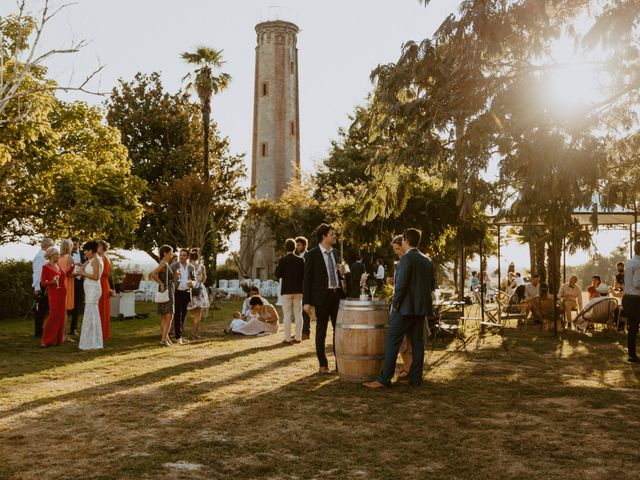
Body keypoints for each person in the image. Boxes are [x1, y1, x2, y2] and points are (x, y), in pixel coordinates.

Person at [365, 228, 435, 388]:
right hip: (420, 309)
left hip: (404, 308)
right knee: (418, 344)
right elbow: (430, 286)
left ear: (405, 240)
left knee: (392, 341)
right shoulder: (427, 260)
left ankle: (384, 379)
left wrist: (395, 305)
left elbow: (401, 286)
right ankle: (416, 379)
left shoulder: (406, 259)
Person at [302, 223, 345, 374]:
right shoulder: (312, 254)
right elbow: (307, 279)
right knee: (321, 331)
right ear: (324, 236)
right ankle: (323, 365)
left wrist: (342, 273)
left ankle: (340, 364)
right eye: (332, 234)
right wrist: (306, 302)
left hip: (336, 295)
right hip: (321, 298)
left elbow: (340, 276)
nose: (335, 236)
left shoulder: (335, 253)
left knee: (338, 331)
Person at [40, 247, 74, 347]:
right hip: (54, 294)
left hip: (62, 293)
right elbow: (43, 282)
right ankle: (45, 340)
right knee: (53, 315)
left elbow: (65, 275)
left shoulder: (58, 264)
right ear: (52, 255)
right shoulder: (46, 267)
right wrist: (53, 282)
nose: (59, 256)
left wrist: (72, 266)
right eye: (57, 255)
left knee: (61, 315)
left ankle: (57, 339)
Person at [390, 234, 412, 379]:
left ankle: (408, 369)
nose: (397, 252)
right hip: (403, 305)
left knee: (405, 341)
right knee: (405, 341)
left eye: (398, 248)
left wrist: (395, 306)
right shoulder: (403, 262)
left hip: (404, 306)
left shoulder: (406, 262)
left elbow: (404, 286)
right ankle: (407, 368)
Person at [275, 238, 305, 344]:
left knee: (287, 315)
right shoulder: (301, 260)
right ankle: (298, 337)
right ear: (295, 247)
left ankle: (287, 338)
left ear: (285, 248)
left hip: (287, 290)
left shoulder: (282, 260)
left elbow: (278, 275)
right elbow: (304, 275)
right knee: (298, 314)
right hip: (298, 290)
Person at [77, 241, 104, 350]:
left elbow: (96, 276)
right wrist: (83, 267)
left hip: (93, 289)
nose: (85, 253)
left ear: (91, 251)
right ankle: (89, 340)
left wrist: (83, 274)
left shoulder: (96, 260)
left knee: (91, 313)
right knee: (90, 313)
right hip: (90, 289)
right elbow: (86, 271)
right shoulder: (91, 260)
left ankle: (92, 342)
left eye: (86, 251)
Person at [150, 245, 176, 347]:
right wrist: (161, 283)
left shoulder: (165, 263)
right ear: (165, 253)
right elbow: (153, 274)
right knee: (169, 316)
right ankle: (164, 340)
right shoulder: (164, 263)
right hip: (166, 291)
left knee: (165, 316)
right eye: (171, 252)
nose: (172, 254)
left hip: (165, 290)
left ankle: (166, 339)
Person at [169, 248, 195, 345]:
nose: (182, 257)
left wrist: (193, 283)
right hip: (177, 292)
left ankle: (180, 335)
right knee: (177, 314)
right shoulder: (174, 266)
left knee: (183, 314)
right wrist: (175, 277)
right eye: (181, 255)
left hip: (187, 292)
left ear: (188, 257)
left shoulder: (191, 267)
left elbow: (194, 279)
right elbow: (167, 277)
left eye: (184, 255)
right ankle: (178, 337)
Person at [32, 238, 54, 338]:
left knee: (44, 309)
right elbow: (37, 273)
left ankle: (42, 330)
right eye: (52, 246)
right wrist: (37, 288)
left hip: (44, 284)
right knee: (41, 310)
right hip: (41, 286)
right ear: (47, 246)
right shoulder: (40, 257)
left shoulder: (44, 256)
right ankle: (38, 332)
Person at [623, 241, 640, 363]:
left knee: (632, 328)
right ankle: (632, 355)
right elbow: (637, 283)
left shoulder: (630, 262)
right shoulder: (639, 264)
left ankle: (632, 355)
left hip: (628, 298)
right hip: (636, 299)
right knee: (634, 327)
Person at [187, 248, 209, 339]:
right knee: (197, 314)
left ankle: (178, 332)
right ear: (198, 257)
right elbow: (203, 280)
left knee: (183, 313)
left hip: (189, 289)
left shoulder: (186, 266)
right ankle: (194, 333)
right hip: (199, 290)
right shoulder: (201, 266)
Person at [294, 236, 311, 340]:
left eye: (299, 245)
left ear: (304, 245)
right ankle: (300, 332)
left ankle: (306, 332)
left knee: (306, 309)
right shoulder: (296, 256)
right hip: (298, 286)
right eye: (296, 245)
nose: (297, 247)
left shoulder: (309, 255)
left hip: (307, 286)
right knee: (299, 310)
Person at [97, 240, 114, 342]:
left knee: (103, 308)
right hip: (101, 283)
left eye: (98, 246)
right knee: (100, 308)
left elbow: (105, 273)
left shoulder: (103, 258)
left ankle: (103, 332)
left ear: (103, 248)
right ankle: (100, 331)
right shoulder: (101, 258)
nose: (97, 248)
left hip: (102, 284)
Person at [59, 240, 75, 341]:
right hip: (67, 284)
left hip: (60, 283)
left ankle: (60, 334)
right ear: (69, 247)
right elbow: (69, 274)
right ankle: (65, 335)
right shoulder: (70, 257)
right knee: (64, 312)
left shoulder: (59, 257)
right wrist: (80, 273)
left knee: (61, 311)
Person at [69, 237, 86, 336]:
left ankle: (73, 328)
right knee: (68, 304)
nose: (74, 246)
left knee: (78, 305)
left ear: (79, 245)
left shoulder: (83, 254)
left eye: (76, 244)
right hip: (70, 280)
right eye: (72, 244)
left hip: (80, 282)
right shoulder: (67, 254)